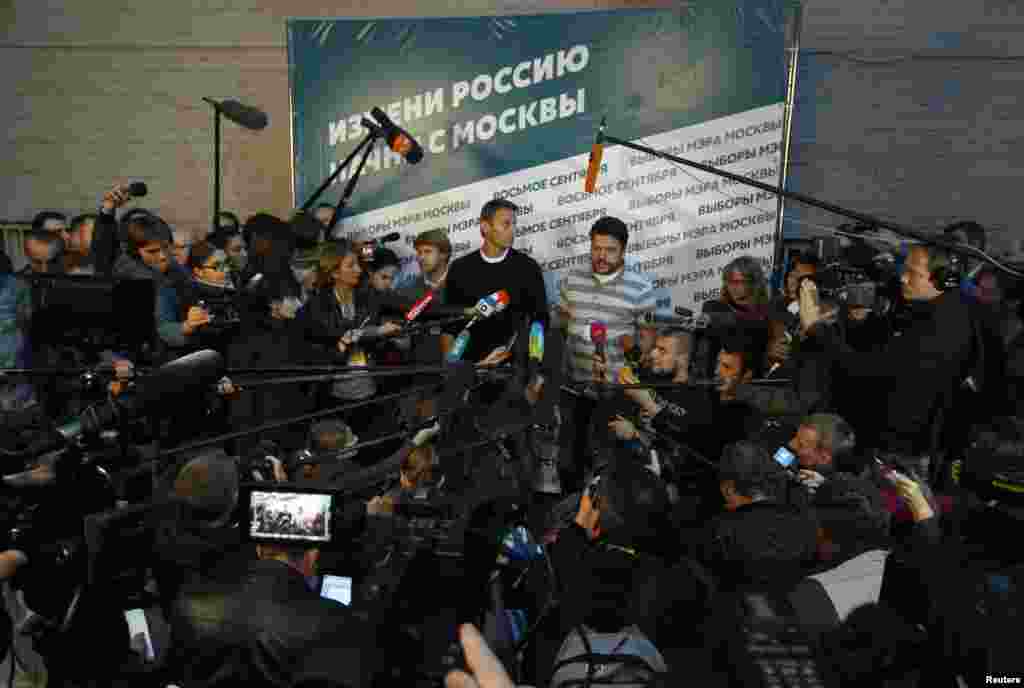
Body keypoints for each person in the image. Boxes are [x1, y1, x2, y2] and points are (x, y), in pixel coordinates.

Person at [801, 245, 979, 483]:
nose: (903, 278)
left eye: (913, 273)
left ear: (943, 280)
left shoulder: (939, 330)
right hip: (892, 443)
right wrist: (861, 323)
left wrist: (816, 329)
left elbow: (864, 369)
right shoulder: (940, 310)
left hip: (899, 454)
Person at [558, 216, 657, 489]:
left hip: (616, 393)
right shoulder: (571, 279)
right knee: (569, 464)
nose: (601, 256)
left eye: (610, 250)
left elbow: (647, 341)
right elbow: (562, 324)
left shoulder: (641, 287)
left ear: (623, 251)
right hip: (575, 389)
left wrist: (633, 360)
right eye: (596, 248)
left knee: (610, 466)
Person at [442, 199, 548, 365]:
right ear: (485, 227)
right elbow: (449, 327)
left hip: (513, 370)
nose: (512, 230)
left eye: (514, 224)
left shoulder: (528, 268)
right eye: (506, 224)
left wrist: (534, 372)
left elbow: (540, 322)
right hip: (469, 369)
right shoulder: (460, 268)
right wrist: (451, 368)